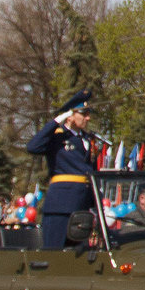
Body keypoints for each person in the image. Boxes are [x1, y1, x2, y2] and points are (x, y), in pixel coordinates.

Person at [25, 92, 102, 250]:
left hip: (81, 206)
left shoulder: (88, 140)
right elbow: (33, 147)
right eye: (83, 114)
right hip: (60, 206)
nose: (88, 118)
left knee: (78, 256)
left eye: (88, 114)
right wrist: (56, 121)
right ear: (70, 116)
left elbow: (91, 173)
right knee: (54, 253)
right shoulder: (57, 137)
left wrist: (96, 204)